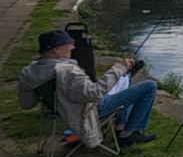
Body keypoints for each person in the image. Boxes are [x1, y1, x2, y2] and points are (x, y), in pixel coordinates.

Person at [18, 30, 157, 147]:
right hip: (89, 109)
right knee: (149, 86)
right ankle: (129, 133)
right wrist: (118, 68)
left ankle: (121, 128)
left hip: (60, 109)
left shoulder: (30, 72)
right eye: (69, 44)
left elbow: (26, 104)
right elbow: (94, 94)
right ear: (56, 50)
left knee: (123, 82)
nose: (73, 47)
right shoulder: (67, 71)